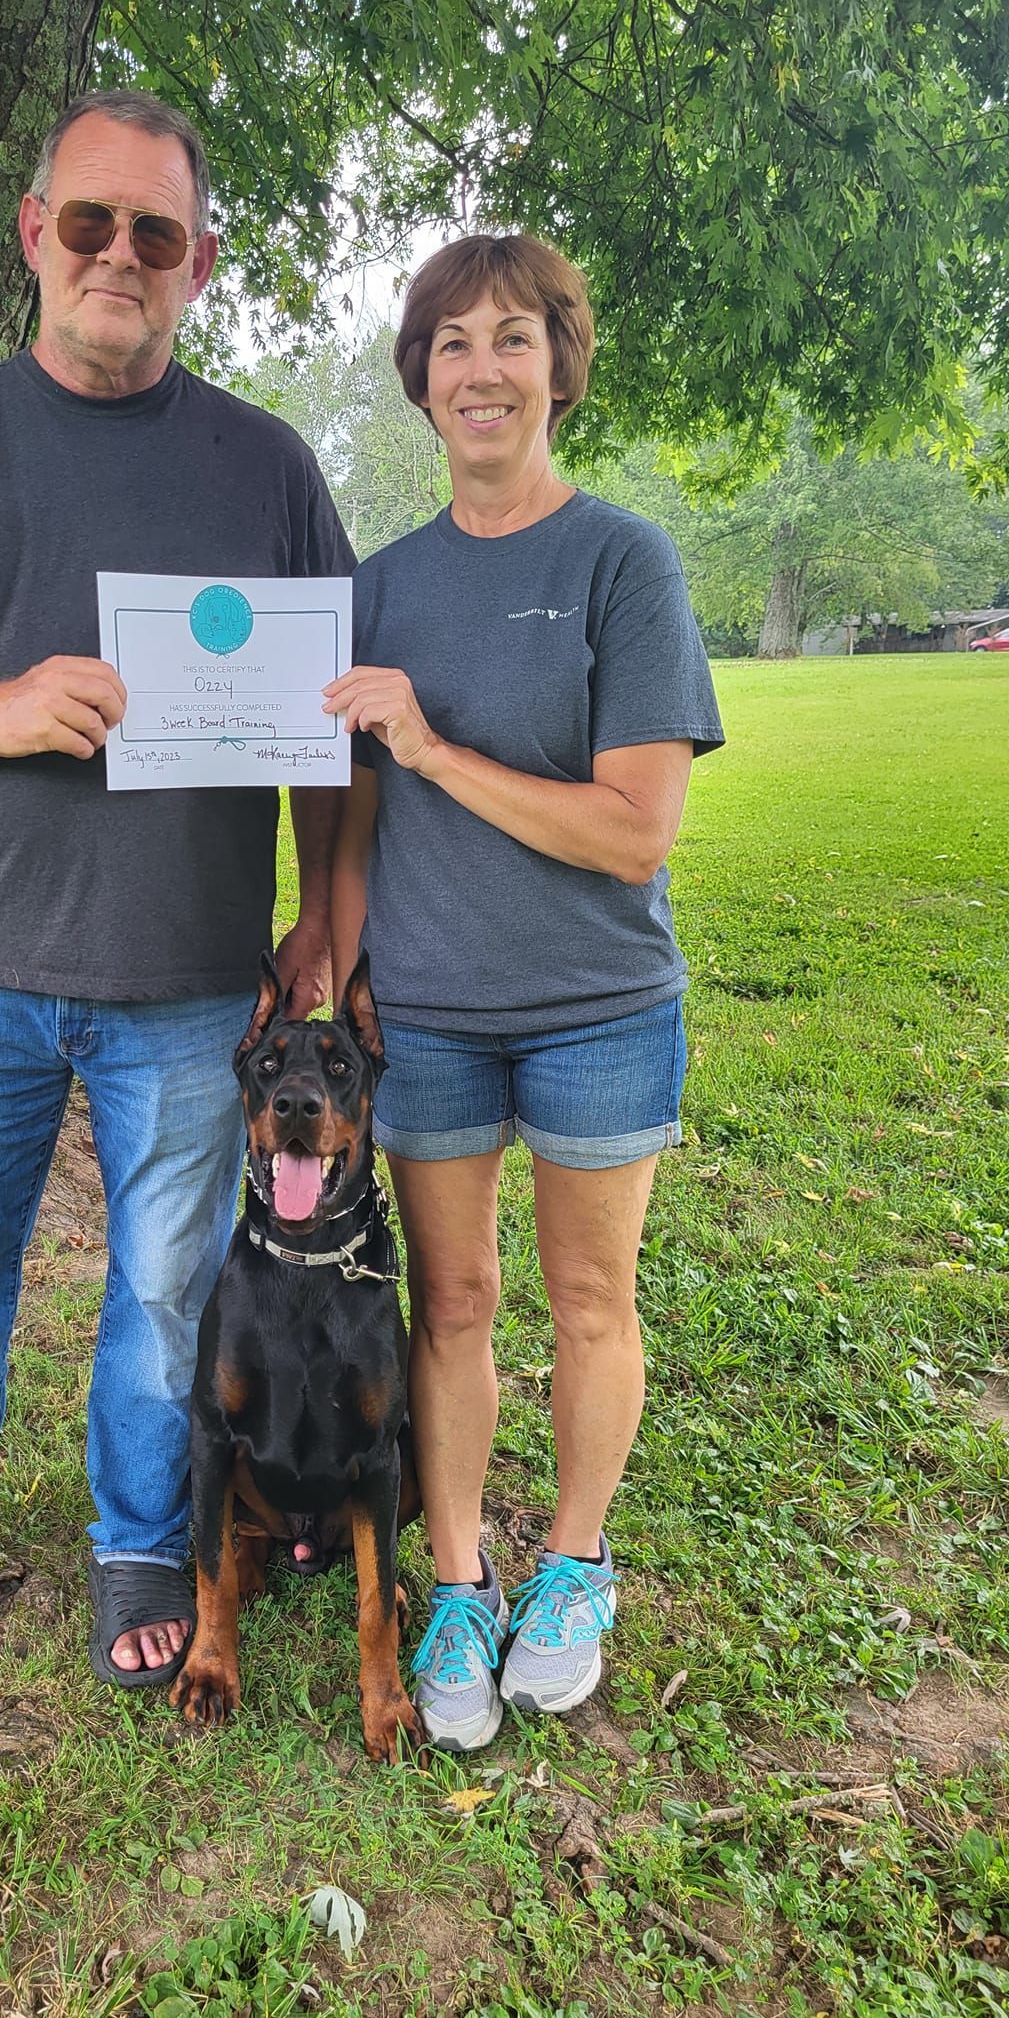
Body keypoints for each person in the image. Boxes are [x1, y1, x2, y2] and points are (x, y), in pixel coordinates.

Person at [0, 89, 353, 1708]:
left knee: (167, 1287)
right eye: (87, 222)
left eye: (153, 234)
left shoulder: (269, 467)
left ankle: (137, 1538)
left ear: (199, 263)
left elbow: (329, 720)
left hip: (188, 983)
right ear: (34, 233)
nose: (118, 254)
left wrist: (325, 912)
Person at [326, 233, 723, 1754]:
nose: (480, 369)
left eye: (510, 339)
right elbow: (357, 819)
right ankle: (457, 1579)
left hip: (598, 1006)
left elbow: (634, 831)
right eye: (449, 345)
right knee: (456, 1307)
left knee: (587, 1299)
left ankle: (572, 1564)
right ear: (422, 384)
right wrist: (333, 947)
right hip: (424, 1012)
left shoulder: (624, 562)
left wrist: (436, 752)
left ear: (560, 362)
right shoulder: (381, 587)